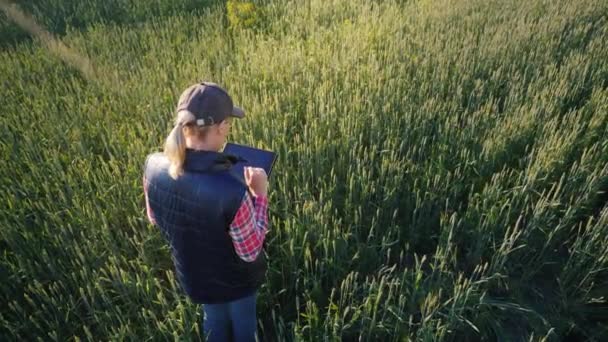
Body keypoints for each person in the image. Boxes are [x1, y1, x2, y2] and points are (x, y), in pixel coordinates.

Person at [142, 81, 270, 341]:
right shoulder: (233, 192)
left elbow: (153, 217)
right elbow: (250, 251)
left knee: (213, 317)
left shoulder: (152, 166)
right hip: (236, 281)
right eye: (229, 124)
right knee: (244, 322)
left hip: (194, 276)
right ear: (222, 128)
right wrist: (260, 195)